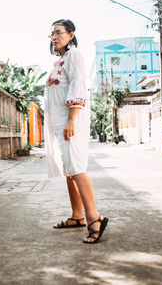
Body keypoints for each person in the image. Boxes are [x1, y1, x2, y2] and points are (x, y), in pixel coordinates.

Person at [44, 19, 108, 244]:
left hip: (71, 121)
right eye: (51, 33)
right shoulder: (60, 61)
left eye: (58, 32)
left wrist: (71, 119)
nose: (54, 36)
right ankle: (77, 216)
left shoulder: (75, 56)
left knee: (77, 168)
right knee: (69, 170)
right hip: (60, 123)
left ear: (71, 35)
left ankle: (94, 219)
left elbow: (78, 86)